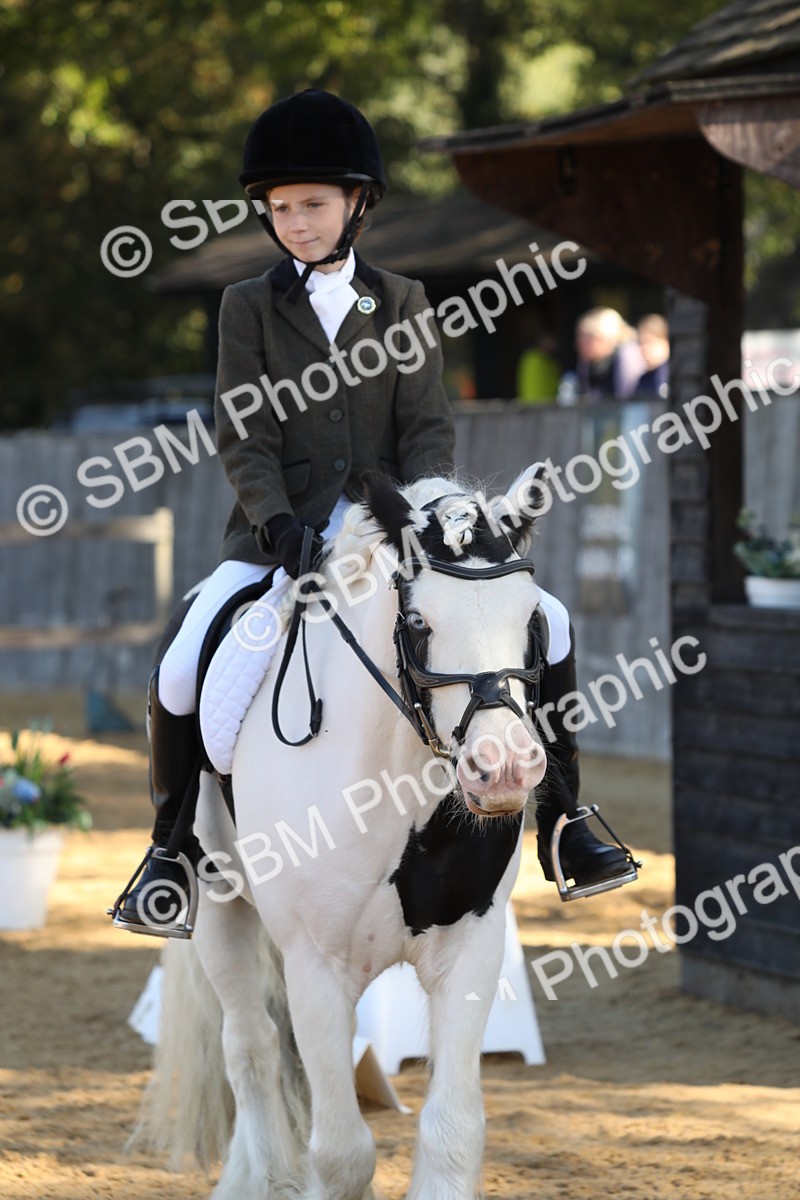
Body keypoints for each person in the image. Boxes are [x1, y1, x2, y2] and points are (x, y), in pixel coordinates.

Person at [110, 90, 635, 938]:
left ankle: (567, 819)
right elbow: (243, 436)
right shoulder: (248, 307)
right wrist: (280, 527)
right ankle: (169, 852)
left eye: (312, 205)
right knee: (181, 664)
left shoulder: (401, 303)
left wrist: (425, 524)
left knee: (554, 622)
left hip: (398, 542)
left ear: (358, 204)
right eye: (279, 208)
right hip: (274, 543)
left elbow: (427, 431)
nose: (295, 222)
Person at [557, 307, 644, 405]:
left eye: (582, 337)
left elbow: (628, 403)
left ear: (600, 339)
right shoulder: (586, 364)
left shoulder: (627, 357)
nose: (577, 343)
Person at [635, 313, 670, 398]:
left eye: (648, 342)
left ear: (666, 341)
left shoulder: (676, 374)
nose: (643, 349)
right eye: (641, 343)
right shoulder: (644, 380)